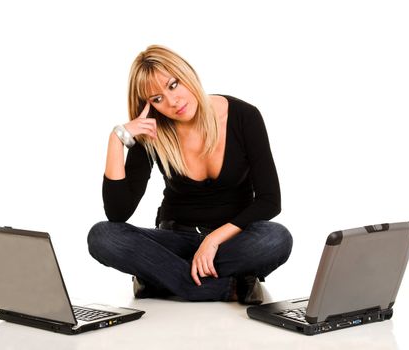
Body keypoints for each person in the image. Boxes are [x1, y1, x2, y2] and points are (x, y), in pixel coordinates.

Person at [87, 45, 292, 304]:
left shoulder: (243, 116)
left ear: (187, 74)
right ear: (149, 106)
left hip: (232, 241)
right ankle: (228, 286)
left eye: (173, 85)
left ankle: (161, 277)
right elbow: (118, 214)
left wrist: (213, 240)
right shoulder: (152, 131)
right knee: (102, 236)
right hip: (175, 240)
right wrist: (117, 139)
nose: (172, 102)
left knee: (276, 238)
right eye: (157, 99)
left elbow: (270, 200)